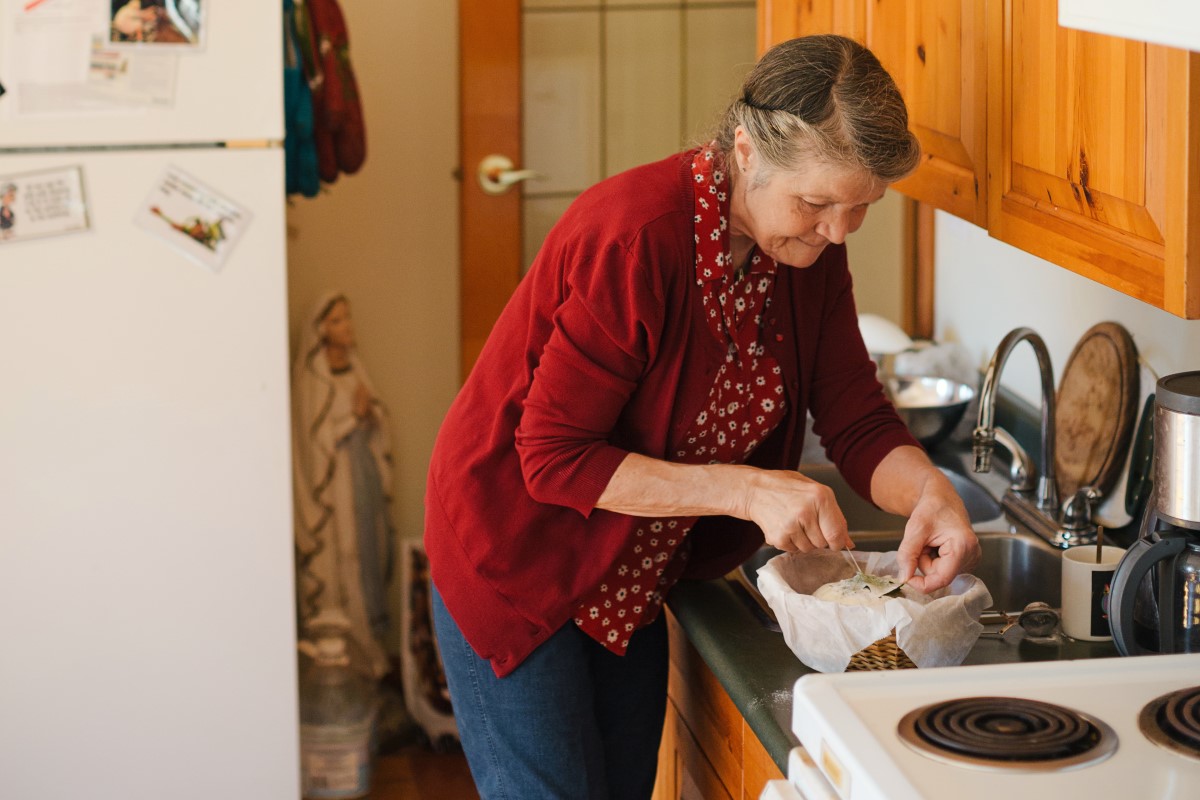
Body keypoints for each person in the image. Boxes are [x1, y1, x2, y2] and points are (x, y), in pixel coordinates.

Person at [425, 34, 982, 799]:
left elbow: (855, 416)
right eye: (817, 204)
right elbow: (553, 456)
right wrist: (748, 492)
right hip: (519, 553)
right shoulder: (634, 240)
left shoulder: (807, 254)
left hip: (632, 569)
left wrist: (930, 493)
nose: (837, 233)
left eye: (861, 209)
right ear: (747, 152)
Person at [292, 292, 395, 679]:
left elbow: (376, 416)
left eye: (347, 318)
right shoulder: (312, 377)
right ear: (320, 329)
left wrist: (370, 416)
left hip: (362, 477)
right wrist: (355, 418)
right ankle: (353, 658)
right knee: (342, 558)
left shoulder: (354, 367)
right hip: (333, 488)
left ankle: (372, 652)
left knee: (366, 552)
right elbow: (312, 444)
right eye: (336, 320)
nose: (346, 327)